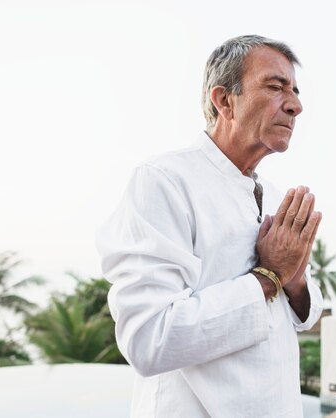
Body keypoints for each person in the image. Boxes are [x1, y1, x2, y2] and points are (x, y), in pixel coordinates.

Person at [96, 35, 324, 418]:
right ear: (224, 100)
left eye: (296, 92)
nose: (295, 105)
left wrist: (295, 280)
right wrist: (269, 276)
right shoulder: (165, 180)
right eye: (275, 87)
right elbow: (149, 340)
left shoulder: (273, 194)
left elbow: (305, 315)